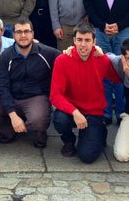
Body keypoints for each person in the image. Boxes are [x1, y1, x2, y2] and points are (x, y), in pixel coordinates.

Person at [0, 18, 60, 148]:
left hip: (36, 97)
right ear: (13, 34)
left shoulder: (47, 53)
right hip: (12, 96)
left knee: (38, 121)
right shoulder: (6, 56)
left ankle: (39, 135)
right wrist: (12, 114)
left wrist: (72, 50)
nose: (23, 35)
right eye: (19, 32)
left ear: (32, 34)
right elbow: (2, 87)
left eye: (26, 31)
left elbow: (65, 60)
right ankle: (10, 131)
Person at [49, 22, 121, 163]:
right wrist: (75, 112)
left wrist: (108, 57)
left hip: (93, 113)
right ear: (74, 40)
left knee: (87, 156)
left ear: (94, 41)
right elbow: (55, 96)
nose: (83, 45)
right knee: (59, 118)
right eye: (80, 40)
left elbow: (117, 78)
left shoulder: (102, 59)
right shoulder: (62, 60)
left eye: (87, 40)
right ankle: (69, 141)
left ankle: (99, 132)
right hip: (72, 111)